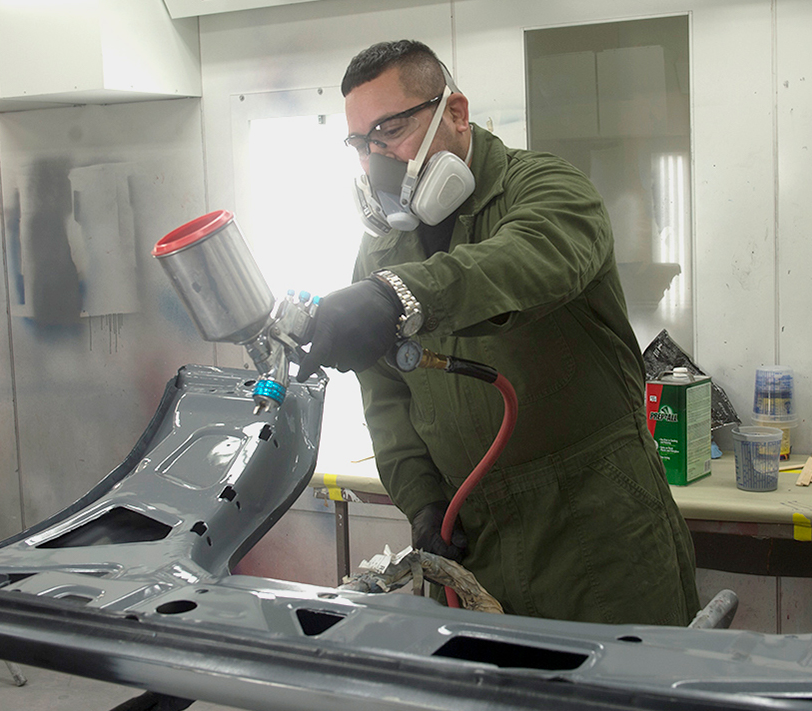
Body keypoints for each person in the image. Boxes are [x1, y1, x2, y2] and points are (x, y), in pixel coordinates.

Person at [297, 39, 699, 626]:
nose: (375, 160)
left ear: (455, 113)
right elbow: (386, 398)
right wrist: (423, 501)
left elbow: (527, 258)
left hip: (598, 526)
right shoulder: (381, 248)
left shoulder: (548, 189)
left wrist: (399, 296)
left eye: (389, 131)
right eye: (361, 143)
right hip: (473, 535)